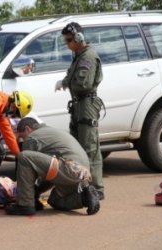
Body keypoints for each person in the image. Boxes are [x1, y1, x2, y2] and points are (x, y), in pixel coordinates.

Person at [5, 117, 100, 216]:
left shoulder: (32, 137)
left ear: (27, 129)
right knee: (54, 201)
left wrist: (23, 195)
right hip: (81, 173)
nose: (22, 140)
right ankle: (85, 197)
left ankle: (25, 205)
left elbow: (30, 172)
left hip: (70, 168)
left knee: (24, 156)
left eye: (21, 136)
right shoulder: (50, 132)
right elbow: (48, 172)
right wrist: (36, 193)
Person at [55, 22, 104, 199]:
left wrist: (66, 83)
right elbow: (71, 75)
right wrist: (65, 80)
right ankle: (84, 186)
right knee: (77, 146)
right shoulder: (78, 55)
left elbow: (83, 83)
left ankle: (95, 189)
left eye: (69, 40)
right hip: (78, 105)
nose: (67, 44)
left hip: (86, 105)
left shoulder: (88, 57)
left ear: (78, 38)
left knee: (89, 147)